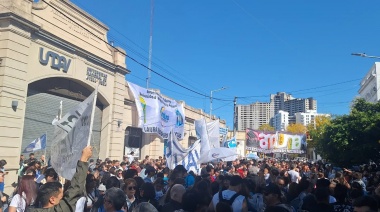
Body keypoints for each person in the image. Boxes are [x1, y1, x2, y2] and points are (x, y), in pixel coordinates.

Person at [30, 146, 92, 212]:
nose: (63, 200)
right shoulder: (58, 209)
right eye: (61, 198)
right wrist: (84, 159)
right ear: (52, 199)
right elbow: (75, 189)